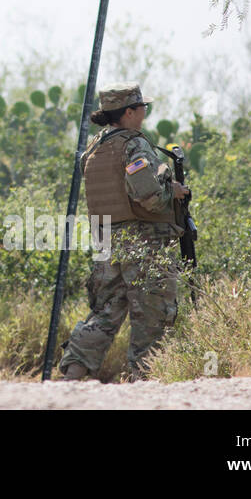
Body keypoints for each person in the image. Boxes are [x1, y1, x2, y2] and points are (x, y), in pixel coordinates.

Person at [59, 82, 190, 382]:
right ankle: (144, 382)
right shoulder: (134, 145)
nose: (145, 111)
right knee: (152, 314)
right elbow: (150, 198)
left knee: (105, 312)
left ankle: (71, 377)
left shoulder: (93, 148)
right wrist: (175, 191)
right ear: (129, 112)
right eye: (142, 107)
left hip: (105, 241)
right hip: (141, 240)